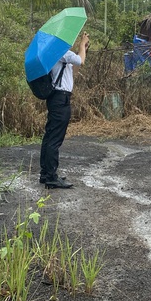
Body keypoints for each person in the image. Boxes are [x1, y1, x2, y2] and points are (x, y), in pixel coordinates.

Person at [40, 31, 90, 189]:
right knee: (55, 139)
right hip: (60, 99)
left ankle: (46, 174)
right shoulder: (60, 52)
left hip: (57, 98)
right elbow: (80, 61)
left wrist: (84, 49)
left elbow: (75, 69)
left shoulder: (56, 54)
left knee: (50, 137)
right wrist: (82, 45)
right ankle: (51, 177)